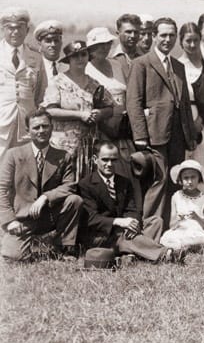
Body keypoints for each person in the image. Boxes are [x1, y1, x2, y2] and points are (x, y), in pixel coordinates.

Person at [77, 142, 186, 264]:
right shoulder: (86, 184)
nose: (109, 164)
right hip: (103, 235)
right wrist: (119, 222)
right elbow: (91, 219)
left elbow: (133, 209)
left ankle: (133, 254)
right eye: (105, 160)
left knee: (156, 221)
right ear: (95, 159)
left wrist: (132, 223)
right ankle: (165, 254)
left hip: (124, 230)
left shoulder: (124, 182)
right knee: (124, 236)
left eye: (114, 160)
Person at [0, 110, 81, 261]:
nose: (41, 131)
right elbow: (1, 190)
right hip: (22, 219)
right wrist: (10, 221)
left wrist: (46, 197)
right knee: (13, 257)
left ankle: (62, 248)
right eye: (36, 127)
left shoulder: (64, 156)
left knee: (74, 200)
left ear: (52, 127)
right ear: (27, 131)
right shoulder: (13, 155)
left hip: (49, 216)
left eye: (45, 126)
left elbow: (69, 186)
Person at [126, 17, 198, 171]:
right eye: (163, 35)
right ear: (154, 36)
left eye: (172, 35)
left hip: (178, 134)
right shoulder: (141, 63)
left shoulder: (178, 66)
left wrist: (190, 135)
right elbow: (133, 102)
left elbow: (184, 103)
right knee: (159, 180)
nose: (167, 40)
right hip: (155, 134)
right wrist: (140, 136)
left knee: (175, 177)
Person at [43, 41, 112, 179]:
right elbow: (50, 110)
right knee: (60, 183)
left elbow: (110, 108)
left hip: (88, 146)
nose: (80, 59)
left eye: (83, 54)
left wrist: (100, 114)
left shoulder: (94, 83)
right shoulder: (57, 82)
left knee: (86, 184)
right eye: (75, 56)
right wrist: (80, 115)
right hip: (62, 145)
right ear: (69, 60)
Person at [159, 160, 204, 253]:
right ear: (180, 180)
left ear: (199, 178)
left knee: (201, 238)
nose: (189, 181)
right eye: (186, 178)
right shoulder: (176, 197)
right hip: (181, 230)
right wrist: (179, 219)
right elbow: (172, 225)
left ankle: (191, 247)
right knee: (166, 239)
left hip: (198, 231)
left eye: (193, 177)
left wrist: (197, 218)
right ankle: (195, 247)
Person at [0, 7, 43, 158]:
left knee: (23, 168)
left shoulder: (36, 57)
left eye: (20, 27)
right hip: (1, 124)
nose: (15, 32)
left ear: (27, 29)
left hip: (25, 125)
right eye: (10, 28)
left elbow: (39, 93)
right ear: (2, 29)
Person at [174, 22, 204, 179]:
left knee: (201, 171)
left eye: (196, 40)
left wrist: (200, 121)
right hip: (181, 129)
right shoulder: (174, 66)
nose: (192, 45)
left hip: (203, 128)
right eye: (188, 40)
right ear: (181, 42)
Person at [85, 27, 133, 157]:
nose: (105, 48)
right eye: (100, 45)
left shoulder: (116, 65)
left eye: (108, 44)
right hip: (100, 128)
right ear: (90, 48)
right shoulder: (86, 69)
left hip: (123, 127)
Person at [31, 19, 65, 96]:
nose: (53, 44)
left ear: (61, 42)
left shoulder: (69, 66)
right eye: (48, 41)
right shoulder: (34, 68)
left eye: (56, 40)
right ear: (39, 44)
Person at [109, 13, 142, 78]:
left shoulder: (147, 56)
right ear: (118, 34)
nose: (133, 36)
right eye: (128, 32)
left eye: (136, 32)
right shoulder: (109, 56)